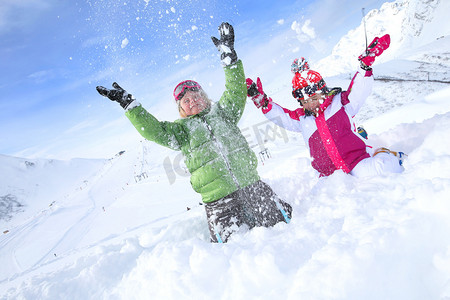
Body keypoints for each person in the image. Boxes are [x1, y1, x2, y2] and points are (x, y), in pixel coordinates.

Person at [96, 22, 292, 243]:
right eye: (186, 100)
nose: (193, 101)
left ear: (205, 96)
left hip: (251, 185)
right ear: (181, 109)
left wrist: (230, 60)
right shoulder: (181, 131)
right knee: (233, 250)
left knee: (283, 229)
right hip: (218, 201)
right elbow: (154, 131)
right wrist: (130, 106)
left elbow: (236, 91)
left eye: (197, 95)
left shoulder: (223, 112)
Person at [247, 34, 406, 178]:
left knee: (383, 169)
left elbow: (359, 91)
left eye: (314, 98)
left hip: (356, 162)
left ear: (323, 91)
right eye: (305, 101)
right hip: (329, 177)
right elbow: (282, 117)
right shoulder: (302, 118)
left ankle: (384, 154)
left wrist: (364, 66)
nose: (311, 104)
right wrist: (262, 101)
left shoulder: (340, 103)